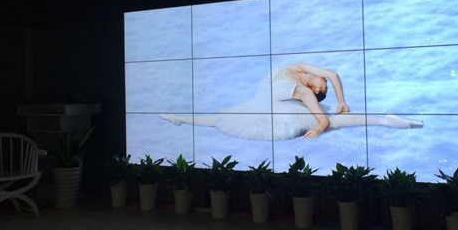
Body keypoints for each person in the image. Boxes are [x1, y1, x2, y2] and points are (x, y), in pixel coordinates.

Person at [159, 63, 423, 141]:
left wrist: (320, 126)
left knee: (334, 122)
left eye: (324, 88)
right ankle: (181, 118)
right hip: (266, 108)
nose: (326, 82)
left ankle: (385, 121)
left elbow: (322, 119)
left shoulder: (303, 89)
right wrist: (341, 103)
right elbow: (333, 74)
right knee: (220, 120)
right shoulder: (299, 69)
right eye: (325, 87)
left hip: (275, 106)